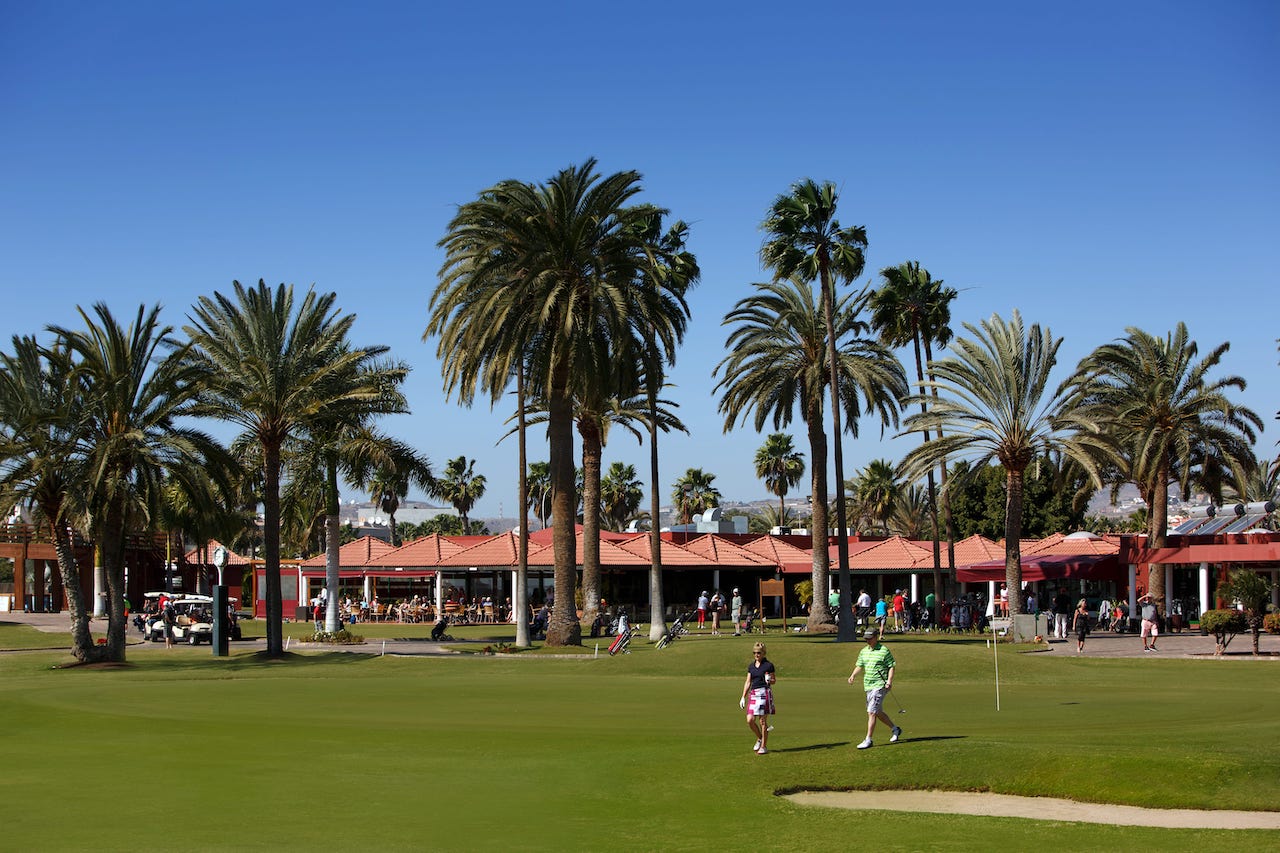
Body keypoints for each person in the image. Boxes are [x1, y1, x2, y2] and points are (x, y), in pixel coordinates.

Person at [849, 628, 900, 749]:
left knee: (871, 712)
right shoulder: (864, 651)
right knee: (877, 712)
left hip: (880, 685)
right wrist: (852, 675)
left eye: (869, 638)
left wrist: (889, 681)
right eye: (866, 638)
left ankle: (868, 739)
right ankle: (895, 729)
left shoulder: (884, 650)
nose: (867, 640)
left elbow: (891, 666)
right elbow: (859, 665)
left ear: (876, 637)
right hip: (868, 685)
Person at [740, 641, 776, 755]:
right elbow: (748, 681)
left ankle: (763, 746)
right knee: (750, 720)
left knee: (762, 721)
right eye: (754, 653)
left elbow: (774, 681)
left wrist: (770, 680)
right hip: (754, 694)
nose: (756, 655)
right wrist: (743, 697)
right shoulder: (751, 666)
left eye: (759, 653)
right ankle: (760, 738)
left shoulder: (768, 665)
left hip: (764, 693)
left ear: (763, 653)